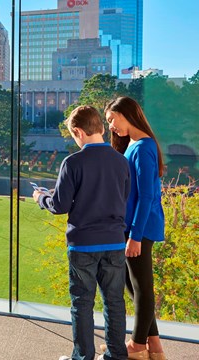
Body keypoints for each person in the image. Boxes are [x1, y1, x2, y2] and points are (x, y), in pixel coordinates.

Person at [33, 106, 130, 360]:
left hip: (83, 246)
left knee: (82, 305)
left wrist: (42, 198)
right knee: (115, 303)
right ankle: (116, 356)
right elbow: (124, 200)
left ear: (78, 131)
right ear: (99, 126)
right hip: (114, 243)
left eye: (73, 135)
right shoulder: (122, 162)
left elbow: (60, 206)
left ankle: (83, 357)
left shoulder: (73, 163)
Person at [106, 97, 166, 360]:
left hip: (140, 228)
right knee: (134, 287)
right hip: (131, 226)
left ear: (126, 114)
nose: (110, 126)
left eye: (111, 119)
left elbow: (147, 196)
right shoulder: (134, 144)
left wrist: (136, 236)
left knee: (141, 287)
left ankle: (137, 345)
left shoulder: (143, 147)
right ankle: (155, 346)